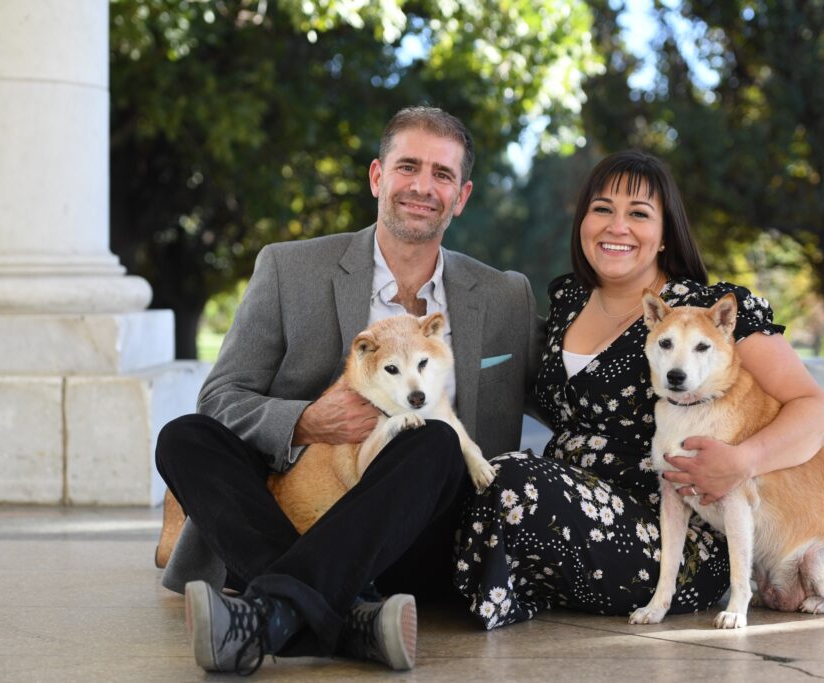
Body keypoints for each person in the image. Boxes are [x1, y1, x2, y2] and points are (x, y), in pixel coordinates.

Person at [155, 106, 541, 674]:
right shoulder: (290, 268)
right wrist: (308, 420)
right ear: (377, 177)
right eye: (408, 166)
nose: (422, 186)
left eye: (442, 174)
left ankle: (267, 613)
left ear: (460, 197)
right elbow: (222, 398)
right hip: (291, 518)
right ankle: (347, 616)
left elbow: (573, 390)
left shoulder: (506, 296)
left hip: (419, 538)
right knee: (185, 436)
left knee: (434, 439)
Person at [454, 150, 824, 629]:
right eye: (602, 209)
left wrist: (742, 462)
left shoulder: (702, 312)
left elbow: (817, 410)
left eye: (638, 213)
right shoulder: (568, 301)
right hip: (565, 507)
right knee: (464, 479)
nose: (618, 226)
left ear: (665, 234)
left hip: (668, 532)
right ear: (583, 223)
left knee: (513, 480)